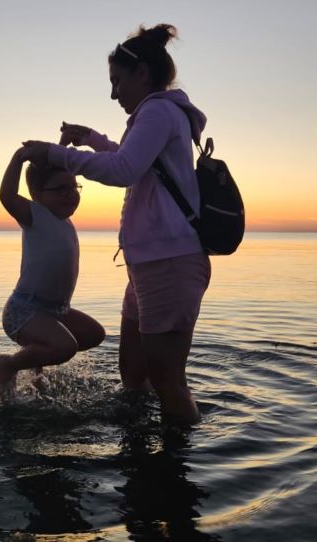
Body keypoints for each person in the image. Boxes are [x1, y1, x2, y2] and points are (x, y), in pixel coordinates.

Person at [21, 24, 210, 424]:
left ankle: (176, 460)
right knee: (134, 375)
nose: (113, 93)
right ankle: (137, 450)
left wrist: (57, 155)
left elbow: (124, 169)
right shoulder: (158, 114)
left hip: (169, 262)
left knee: (168, 381)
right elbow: (133, 159)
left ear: (142, 73)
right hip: (148, 266)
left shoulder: (158, 111)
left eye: (117, 81)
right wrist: (90, 138)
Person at [0, 146, 105, 401]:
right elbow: (7, 195)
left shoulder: (62, 219)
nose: (70, 194)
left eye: (74, 187)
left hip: (56, 310)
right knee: (64, 347)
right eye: (62, 189)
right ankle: (8, 364)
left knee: (94, 334)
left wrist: (59, 147)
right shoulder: (35, 215)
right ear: (37, 194)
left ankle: (36, 364)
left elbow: (49, 169)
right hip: (25, 310)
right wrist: (19, 158)